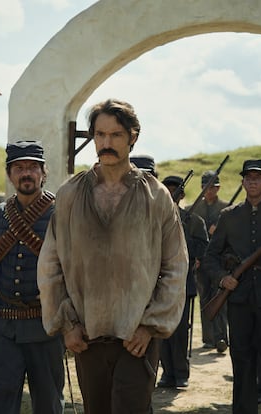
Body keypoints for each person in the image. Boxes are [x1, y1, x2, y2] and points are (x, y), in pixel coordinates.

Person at [37, 98, 188, 414]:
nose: (106, 143)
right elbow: (50, 265)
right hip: (86, 335)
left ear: (132, 136)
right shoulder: (69, 194)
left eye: (116, 135)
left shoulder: (156, 196)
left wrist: (150, 325)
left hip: (137, 338)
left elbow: (175, 266)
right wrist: (66, 324)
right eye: (100, 135)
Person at [0, 141, 65, 414]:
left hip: (46, 325)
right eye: (19, 167)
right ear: (10, 174)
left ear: (44, 172)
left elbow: (74, 271)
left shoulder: (62, 213)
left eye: (33, 167)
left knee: (48, 401)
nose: (26, 173)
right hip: (3, 326)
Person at [202, 159, 261, 414]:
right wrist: (223, 278)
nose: (253, 181)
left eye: (258, 177)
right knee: (242, 361)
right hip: (239, 301)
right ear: (243, 181)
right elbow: (210, 256)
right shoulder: (229, 216)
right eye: (249, 177)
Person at [157, 175, 209, 388]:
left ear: (182, 194)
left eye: (176, 190)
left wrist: (186, 245)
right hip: (157, 284)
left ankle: (180, 373)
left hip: (182, 284)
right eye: (167, 189)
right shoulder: (155, 219)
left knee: (179, 332)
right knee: (160, 331)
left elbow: (203, 248)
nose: (171, 193)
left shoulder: (194, 221)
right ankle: (167, 372)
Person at [186, 170, 229, 351]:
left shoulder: (227, 209)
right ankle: (209, 338)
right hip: (201, 261)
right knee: (205, 298)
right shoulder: (192, 209)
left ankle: (221, 338)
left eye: (212, 187)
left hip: (220, 260)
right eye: (206, 187)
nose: (209, 190)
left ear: (218, 188)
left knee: (221, 297)